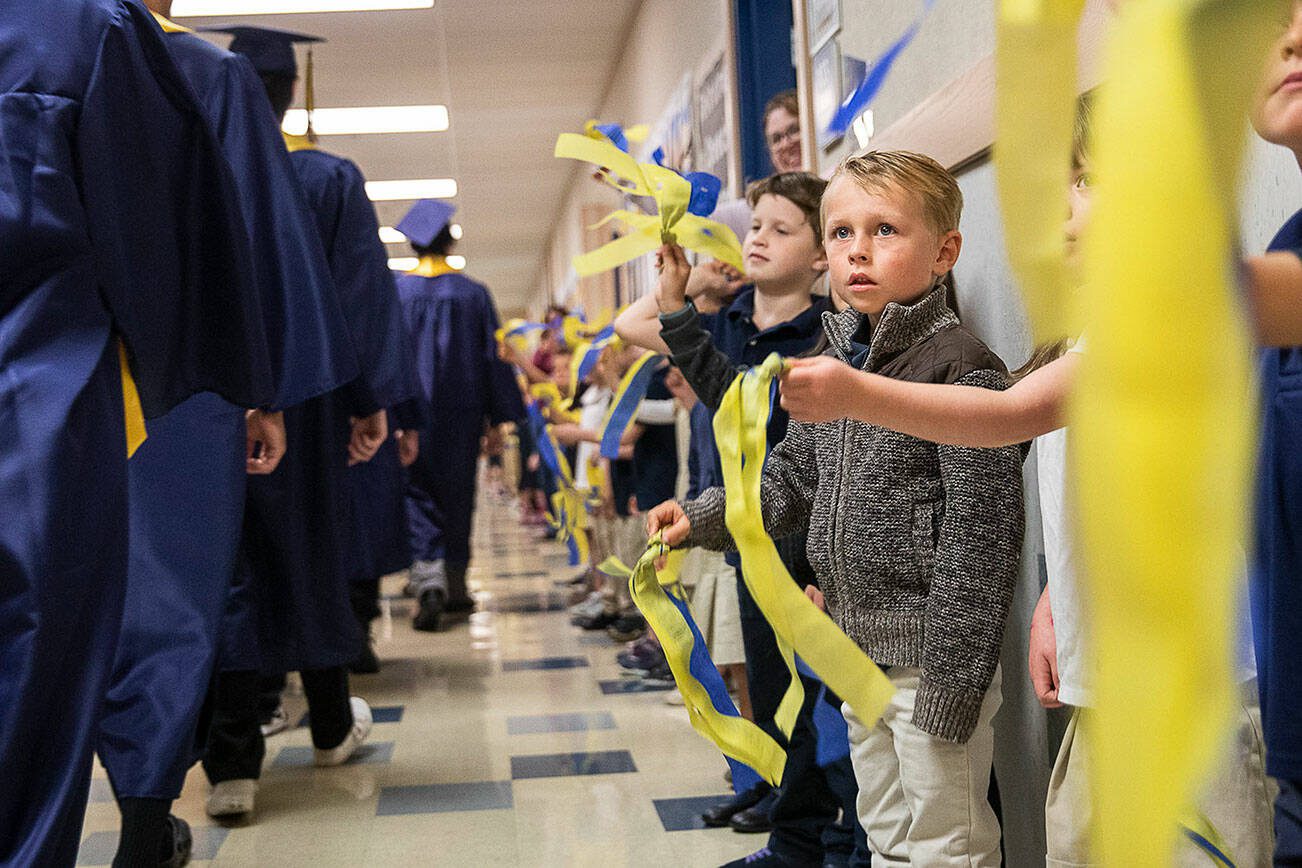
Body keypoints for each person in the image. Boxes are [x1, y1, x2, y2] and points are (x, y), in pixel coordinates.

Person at [648, 151, 1026, 867]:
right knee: (884, 839)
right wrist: (698, 520)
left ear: (944, 251)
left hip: (930, 668)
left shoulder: (958, 369)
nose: (858, 251)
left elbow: (983, 539)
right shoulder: (838, 363)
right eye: (842, 233)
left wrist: (953, 680)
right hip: (857, 660)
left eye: (885, 230)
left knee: (951, 847)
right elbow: (787, 481)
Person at [0, 2, 278, 863]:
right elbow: (159, 248)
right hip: (37, 426)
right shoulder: (84, 32)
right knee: (33, 689)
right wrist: (239, 384)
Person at [93, 7, 363, 865]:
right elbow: (250, 244)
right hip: (188, 378)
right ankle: (162, 800)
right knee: (193, 585)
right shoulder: (207, 79)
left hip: (38, 370)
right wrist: (266, 388)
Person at [202, 25, 417, 820]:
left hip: (207, 404)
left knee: (226, 566)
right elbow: (355, 300)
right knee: (311, 552)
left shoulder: (193, 167)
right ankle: (330, 726)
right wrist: (369, 402)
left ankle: (232, 762)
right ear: (291, 92)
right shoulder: (326, 178)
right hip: (309, 400)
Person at [619, 173, 857, 867]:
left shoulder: (821, 334)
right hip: (742, 533)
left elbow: (765, 427)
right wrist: (697, 290)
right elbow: (637, 329)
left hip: (801, 542)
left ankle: (825, 841)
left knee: (826, 714)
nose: (757, 239)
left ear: (822, 258)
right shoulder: (726, 318)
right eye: (754, 226)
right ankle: (792, 833)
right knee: (776, 693)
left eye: (782, 230)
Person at [395, 199, 526, 631]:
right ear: (450, 240)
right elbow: (493, 360)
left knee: (415, 496)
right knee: (457, 496)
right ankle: (455, 586)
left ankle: (426, 580)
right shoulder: (473, 294)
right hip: (462, 415)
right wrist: (497, 421)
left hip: (409, 415)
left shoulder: (398, 292)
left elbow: (386, 356)